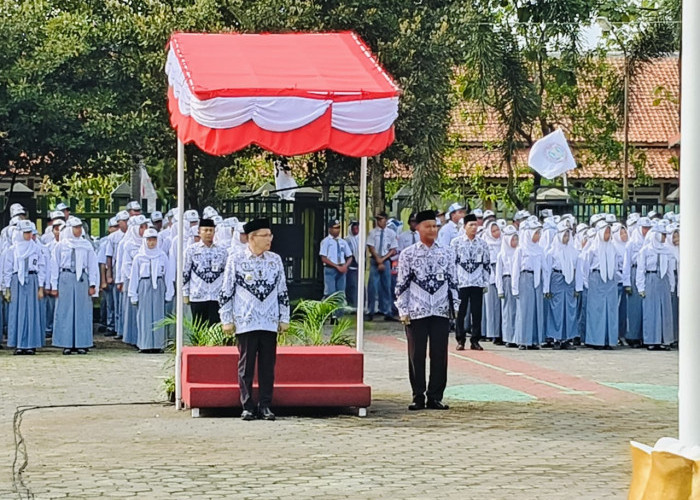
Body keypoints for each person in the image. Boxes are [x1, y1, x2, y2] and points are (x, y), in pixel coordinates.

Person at [219, 218, 290, 421]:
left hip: (268, 319)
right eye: (265, 235)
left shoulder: (274, 259)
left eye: (270, 235)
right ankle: (247, 405)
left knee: (268, 366)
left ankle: (265, 405)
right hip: (246, 319)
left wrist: (284, 316)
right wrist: (226, 318)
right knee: (246, 365)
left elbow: (282, 290)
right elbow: (226, 291)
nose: (270, 239)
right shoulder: (236, 259)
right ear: (252, 238)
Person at [395, 210, 459, 411]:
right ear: (418, 228)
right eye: (428, 226)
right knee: (416, 355)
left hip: (440, 310)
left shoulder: (447, 252)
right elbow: (402, 285)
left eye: (435, 226)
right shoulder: (409, 254)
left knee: (439, 355)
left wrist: (455, 307)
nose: (432, 230)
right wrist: (402, 309)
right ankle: (418, 395)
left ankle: (435, 396)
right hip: (416, 310)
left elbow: (453, 281)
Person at [50, 217, 98, 355]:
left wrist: (93, 283)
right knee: (66, 310)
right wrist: (54, 285)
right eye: (75, 227)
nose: (78, 230)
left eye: (79, 227)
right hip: (66, 277)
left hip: (81, 277)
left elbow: (92, 265)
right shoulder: (61, 245)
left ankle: (82, 343)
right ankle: (66, 343)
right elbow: (55, 265)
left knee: (82, 311)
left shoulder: (86, 244)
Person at [2, 220, 46, 355]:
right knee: (17, 312)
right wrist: (7, 287)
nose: (28, 235)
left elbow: (41, 267)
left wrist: (40, 286)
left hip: (32, 279)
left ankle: (31, 344)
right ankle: (19, 343)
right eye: (25, 233)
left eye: (29, 233)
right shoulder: (12, 250)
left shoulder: (36, 248)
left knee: (32, 311)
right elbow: (7, 269)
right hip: (17, 281)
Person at [128, 228, 173, 353]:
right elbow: (134, 276)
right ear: (145, 241)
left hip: (158, 285)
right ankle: (145, 344)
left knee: (159, 314)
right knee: (144, 315)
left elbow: (168, 274)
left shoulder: (162, 255)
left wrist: (169, 291)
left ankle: (158, 345)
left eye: (154, 240)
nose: (151, 243)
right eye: (149, 240)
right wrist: (133, 294)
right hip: (144, 284)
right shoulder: (139, 257)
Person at [451, 213, 490, 351]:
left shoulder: (483, 244)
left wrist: (485, 281)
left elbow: (486, 264)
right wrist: (453, 282)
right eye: (471, 225)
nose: (474, 227)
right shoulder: (456, 243)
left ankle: (475, 340)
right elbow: (452, 263)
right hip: (461, 282)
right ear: (464, 227)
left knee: (476, 312)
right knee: (460, 312)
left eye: (475, 225)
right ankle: (460, 339)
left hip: (477, 282)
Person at [579, 221, 618, 349]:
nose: (607, 235)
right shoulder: (593, 248)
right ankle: (596, 340)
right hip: (596, 278)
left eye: (609, 232)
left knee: (610, 310)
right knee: (597, 311)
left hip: (610, 280)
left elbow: (616, 265)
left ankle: (609, 340)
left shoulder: (612, 247)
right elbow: (585, 267)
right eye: (605, 232)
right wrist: (587, 283)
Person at [183, 218, 228, 326]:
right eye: (205, 230)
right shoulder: (191, 250)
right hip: (198, 296)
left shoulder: (222, 250)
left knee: (215, 330)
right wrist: (185, 293)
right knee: (199, 329)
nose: (208, 233)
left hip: (216, 296)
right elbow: (185, 272)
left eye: (211, 230)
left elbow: (227, 273)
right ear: (199, 232)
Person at [636, 225, 674, 350]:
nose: (664, 237)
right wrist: (641, 287)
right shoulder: (645, 250)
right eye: (662, 234)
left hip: (663, 281)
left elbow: (669, 270)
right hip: (650, 279)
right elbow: (640, 270)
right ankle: (651, 340)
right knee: (651, 310)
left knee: (664, 310)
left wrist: (672, 286)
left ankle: (665, 340)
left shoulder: (667, 250)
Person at [542, 221, 578, 350]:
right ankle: (556, 338)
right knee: (556, 309)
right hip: (556, 279)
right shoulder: (551, 252)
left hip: (569, 281)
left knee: (569, 309)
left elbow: (577, 270)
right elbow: (547, 271)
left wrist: (577, 287)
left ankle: (567, 338)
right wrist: (546, 288)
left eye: (568, 235)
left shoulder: (574, 251)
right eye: (564, 235)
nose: (566, 238)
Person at [512, 219, 545, 350]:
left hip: (536, 278)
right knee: (524, 309)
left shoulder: (539, 249)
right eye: (536, 233)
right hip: (525, 277)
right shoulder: (521, 249)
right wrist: (514, 288)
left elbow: (544, 267)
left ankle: (534, 340)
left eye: (539, 233)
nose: (538, 236)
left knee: (536, 309)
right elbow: (515, 269)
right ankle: (523, 340)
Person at [117, 215, 149, 345]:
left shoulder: (150, 242)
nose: (144, 229)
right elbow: (123, 263)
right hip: (132, 279)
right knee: (132, 310)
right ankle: (133, 337)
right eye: (141, 227)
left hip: (145, 280)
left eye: (146, 227)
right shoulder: (127, 244)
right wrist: (122, 279)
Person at [366, 212, 398, 321]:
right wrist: (378, 260)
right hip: (375, 260)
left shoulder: (391, 233)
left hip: (386, 260)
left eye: (382, 219)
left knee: (387, 286)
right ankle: (370, 310)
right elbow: (371, 247)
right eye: (378, 219)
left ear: (386, 220)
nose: (380, 221)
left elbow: (393, 249)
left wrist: (383, 260)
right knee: (372, 286)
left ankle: (387, 310)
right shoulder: (373, 233)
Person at [319, 218, 352, 305]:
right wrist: (336, 266)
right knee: (330, 293)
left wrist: (345, 266)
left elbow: (350, 256)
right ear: (329, 229)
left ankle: (338, 315)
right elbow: (323, 258)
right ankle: (329, 314)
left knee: (340, 294)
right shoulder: (326, 242)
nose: (337, 230)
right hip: (331, 268)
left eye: (338, 228)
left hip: (342, 268)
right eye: (334, 228)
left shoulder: (342, 242)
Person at [496, 225, 518, 347]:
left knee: (516, 311)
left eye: (516, 239)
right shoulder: (502, 255)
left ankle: (516, 336)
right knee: (508, 311)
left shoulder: (519, 252)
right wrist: (500, 289)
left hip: (517, 282)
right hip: (507, 280)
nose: (515, 242)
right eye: (512, 239)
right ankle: (508, 337)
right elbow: (498, 274)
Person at [481, 220, 503, 344]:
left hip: (501, 273)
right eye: (493, 231)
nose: (496, 233)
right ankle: (492, 333)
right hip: (490, 273)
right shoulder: (486, 244)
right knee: (491, 305)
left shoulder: (503, 242)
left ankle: (500, 332)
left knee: (500, 305)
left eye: (497, 230)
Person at [344, 221, 360, 308]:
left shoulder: (361, 239)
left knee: (360, 287)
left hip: (359, 266)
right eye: (354, 228)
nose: (356, 230)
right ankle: (352, 304)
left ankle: (359, 304)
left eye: (357, 228)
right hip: (351, 266)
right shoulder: (347, 240)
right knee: (352, 286)